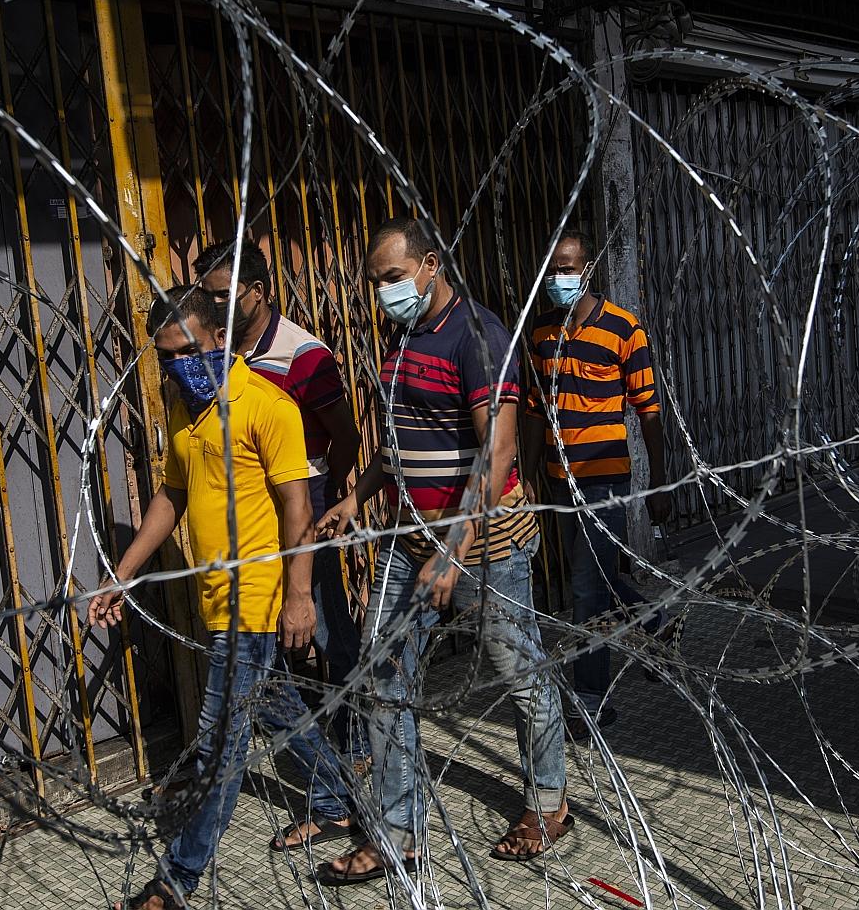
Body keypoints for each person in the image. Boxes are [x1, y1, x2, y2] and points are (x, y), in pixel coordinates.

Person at [315, 216, 572, 883]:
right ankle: (396, 834)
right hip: (409, 539)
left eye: (392, 278)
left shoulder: (479, 337)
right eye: (374, 282)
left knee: (519, 673)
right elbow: (400, 440)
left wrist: (450, 551)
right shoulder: (401, 338)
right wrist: (358, 493)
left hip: (484, 543)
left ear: (431, 265)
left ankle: (549, 803)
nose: (382, 292)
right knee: (382, 679)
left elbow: (498, 454)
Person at [85, 289, 357, 910]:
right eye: (165, 356)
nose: (176, 365)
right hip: (217, 597)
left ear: (219, 339)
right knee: (276, 706)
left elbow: (298, 507)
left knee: (219, 742)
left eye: (187, 351)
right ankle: (336, 802)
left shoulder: (267, 407)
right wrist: (122, 573)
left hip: (258, 596)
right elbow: (170, 495)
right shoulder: (186, 409)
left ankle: (176, 881)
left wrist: (297, 596)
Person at [193, 240, 371, 794]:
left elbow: (345, 435)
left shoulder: (303, 355)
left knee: (320, 624)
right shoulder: (217, 354)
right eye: (207, 297)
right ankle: (320, 763)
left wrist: (329, 497)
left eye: (223, 297)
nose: (213, 307)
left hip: (301, 508)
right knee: (272, 643)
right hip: (248, 516)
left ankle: (354, 744)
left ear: (259, 293)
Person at [522, 228, 670, 738]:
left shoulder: (625, 330)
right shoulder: (541, 332)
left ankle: (590, 701)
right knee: (597, 580)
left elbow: (649, 412)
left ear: (589, 271)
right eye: (552, 269)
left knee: (587, 590)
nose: (557, 278)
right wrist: (533, 469)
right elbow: (536, 409)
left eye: (567, 268)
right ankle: (655, 622)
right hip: (561, 478)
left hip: (606, 477)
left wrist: (661, 481)